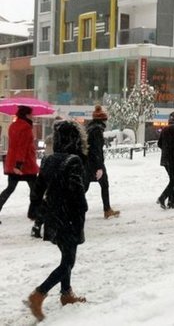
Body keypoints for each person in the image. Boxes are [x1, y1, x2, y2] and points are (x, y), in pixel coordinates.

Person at [27, 120, 89, 322]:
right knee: (68, 261)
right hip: (69, 216)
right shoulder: (74, 161)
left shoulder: (48, 160)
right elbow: (77, 193)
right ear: (75, 140)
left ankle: (66, 293)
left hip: (53, 216)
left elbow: (37, 190)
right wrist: (82, 212)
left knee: (66, 256)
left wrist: (37, 210)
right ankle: (39, 294)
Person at [0, 106, 39, 224]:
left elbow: (15, 145)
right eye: (31, 114)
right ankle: (34, 213)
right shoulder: (26, 127)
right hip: (25, 164)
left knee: (9, 189)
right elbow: (22, 147)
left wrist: (15, 164)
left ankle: (34, 212)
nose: (32, 116)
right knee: (36, 189)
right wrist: (19, 165)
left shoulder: (13, 126)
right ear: (26, 115)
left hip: (13, 162)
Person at [86, 105, 119, 219]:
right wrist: (99, 167)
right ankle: (107, 210)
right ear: (102, 120)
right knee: (103, 185)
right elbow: (96, 150)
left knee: (84, 187)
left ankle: (107, 209)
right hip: (94, 163)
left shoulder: (90, 128)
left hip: (88, 162)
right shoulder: (97, 131)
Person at [156, 111, 174, 209]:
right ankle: (163, 198)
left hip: (165, 158)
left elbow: (159, 144)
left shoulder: (165, 129)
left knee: (173, 179)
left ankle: (171, 201)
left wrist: (166, 150)